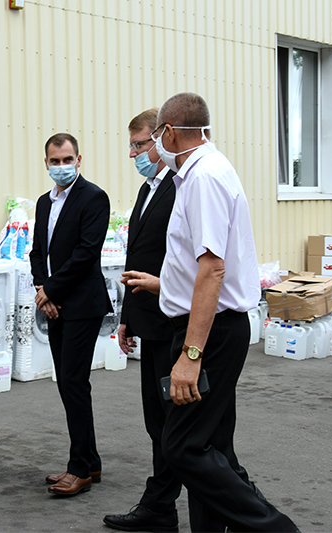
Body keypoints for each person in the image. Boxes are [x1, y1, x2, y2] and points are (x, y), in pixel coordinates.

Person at [123, 93, 298, 532]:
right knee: (213, 447)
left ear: (169, 133)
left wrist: (191, 355)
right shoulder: (201, 173)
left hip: (210, 332)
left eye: (153, 137)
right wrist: (165, 286)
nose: (150, 147)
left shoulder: (203, 177)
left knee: (182, 446)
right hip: (211, 325)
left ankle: (277, 529)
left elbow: (213, 269)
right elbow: (199, 267)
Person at [102, 108, 181, 532]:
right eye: (130, 146)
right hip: (147, 322)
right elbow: (137, 260)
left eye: (139, 144)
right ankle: (161, 508)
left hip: (173, 322)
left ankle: (213, 503)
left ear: (162, 139)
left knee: (178, 424)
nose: (132, 153)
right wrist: (126, 319)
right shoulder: (148, 189)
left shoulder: (179, 187)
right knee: (157, 421)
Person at [29, 133, 111, 497]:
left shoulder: (93, 197)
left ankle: (79, 470)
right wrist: (42, 289)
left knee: (74, 383)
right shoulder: (44, 202)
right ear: (46, 163)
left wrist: (51, 291)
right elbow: (38, 251)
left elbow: (86, 253)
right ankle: (89, 460)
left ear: (79, 160)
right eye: (54, 161)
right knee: (66, 382)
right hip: (54, 303)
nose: (61, 166)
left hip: (81, 304)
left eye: (67, 160)